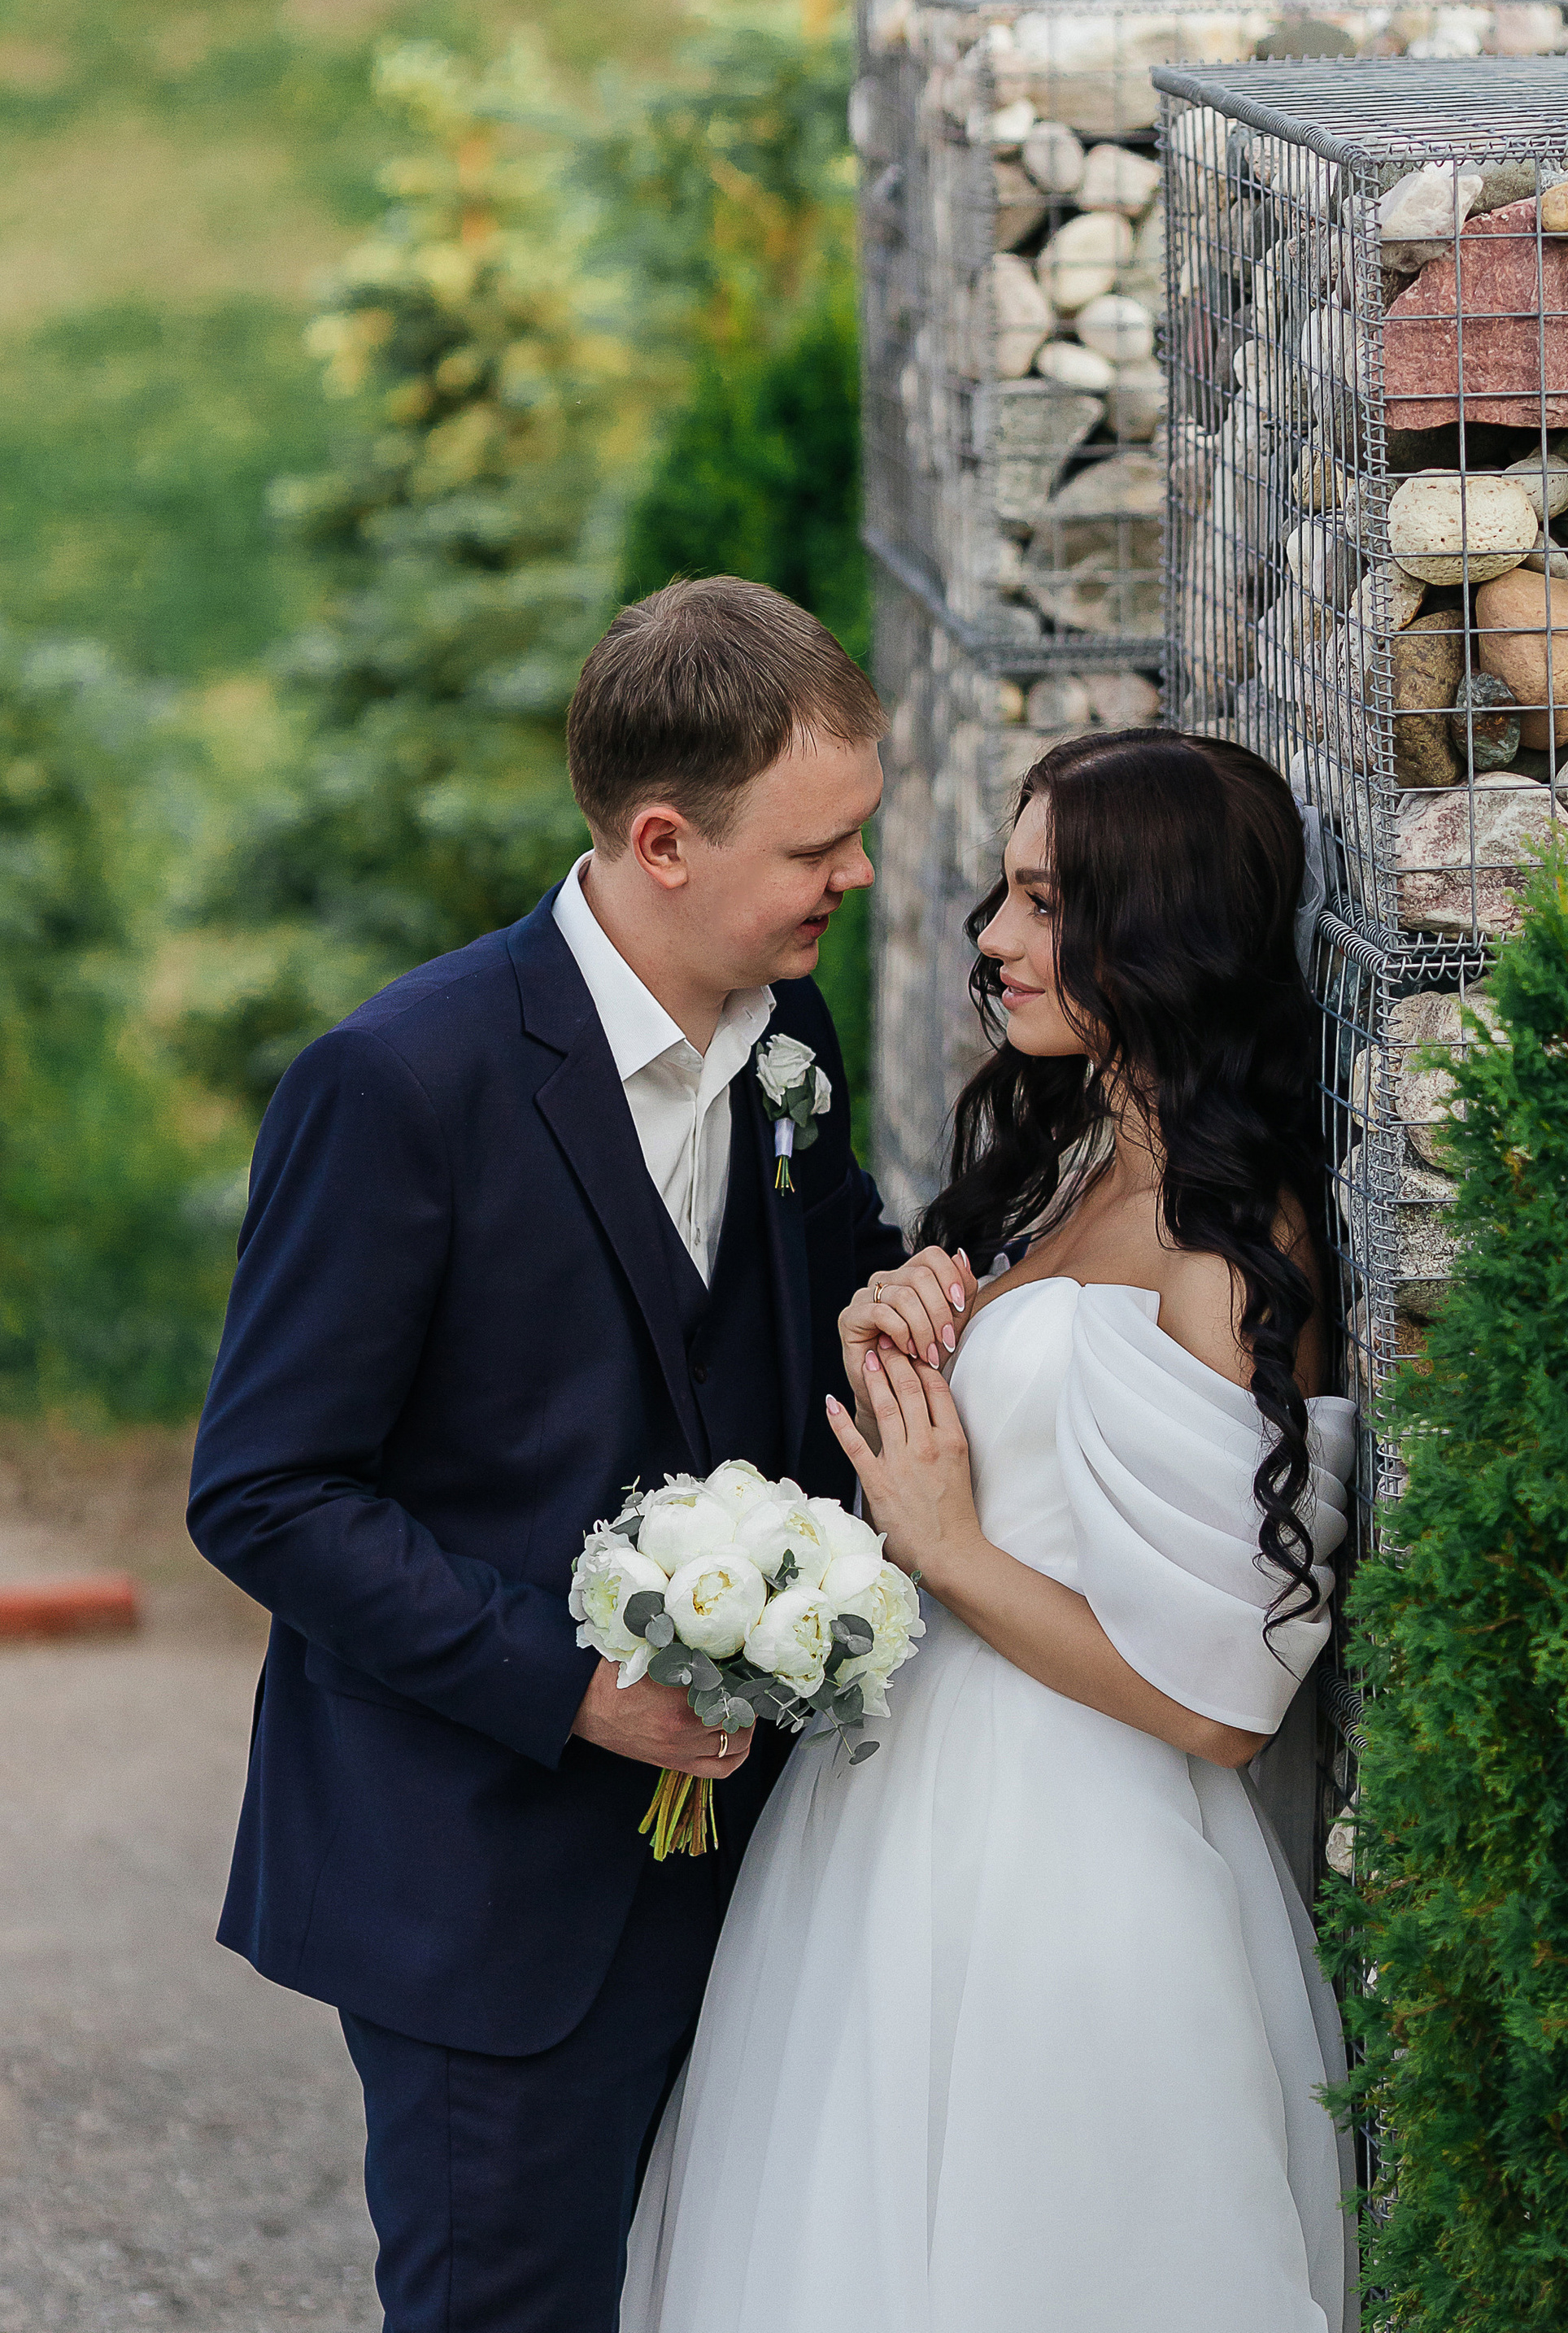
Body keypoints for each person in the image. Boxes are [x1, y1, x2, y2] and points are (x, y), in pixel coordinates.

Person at [187, 577, 906, 2333]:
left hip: (748, 1866)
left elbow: (800, 1315)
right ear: (662, 842)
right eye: (818, 846)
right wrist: (578, 1688)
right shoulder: (397, 1082)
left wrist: (910, 1301)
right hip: (484, 1878)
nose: (861, 875)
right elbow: (266, 1490)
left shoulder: (790, 1039)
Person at [621, 726, 1361, 2333]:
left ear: (1161, 928)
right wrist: (892, 1340)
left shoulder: (1227, 1240)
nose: (995, 937)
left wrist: (944, 1548)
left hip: (1072, 1864)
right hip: (895, 1823)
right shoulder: (1073, 1164)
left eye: (1045, 903)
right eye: (1007, 894)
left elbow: (1221, 1707)